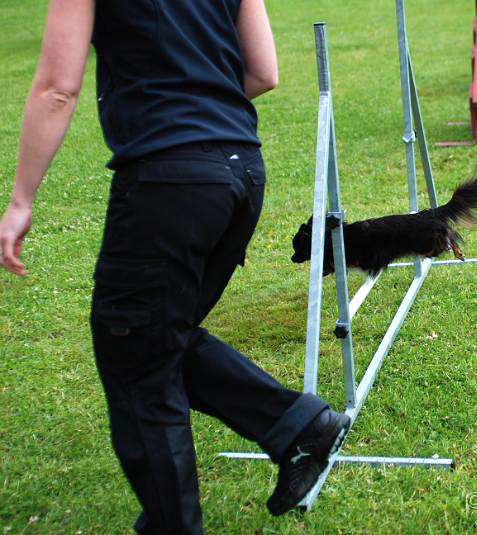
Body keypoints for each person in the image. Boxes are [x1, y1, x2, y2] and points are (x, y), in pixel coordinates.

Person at [0, 0, 350, 532]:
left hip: (170, 180)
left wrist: (21, 199)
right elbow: (262, 72)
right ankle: (299, 427)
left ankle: (178, 520)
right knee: (155, 337)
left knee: (136, 352)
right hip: (241, 171)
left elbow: (57, 88)